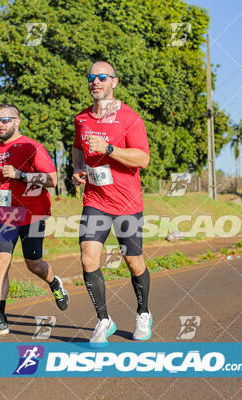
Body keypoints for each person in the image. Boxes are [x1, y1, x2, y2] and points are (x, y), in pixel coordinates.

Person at [0, 103, 69, 337]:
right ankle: (0, 320)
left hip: (32, 214)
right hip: (3, 215)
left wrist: (20, 175)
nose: (0, 125)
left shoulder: (32, 147)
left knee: (34, 264)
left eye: (5, 120)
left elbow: (52, 179)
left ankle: (54, 283)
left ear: (17, 121)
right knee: (0, 263)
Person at [72, 61, 151, 347]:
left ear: (114, 82)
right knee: (88, 257)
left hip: (127, 202)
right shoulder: (81, 119)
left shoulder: (130, 118)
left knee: (134, 261)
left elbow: (142, 159)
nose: (96, 81)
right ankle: (104, 320)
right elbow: (77, 148)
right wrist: (77, 169)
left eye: (102, 77)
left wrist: (109, 149)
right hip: (95, 200)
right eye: (91, 77)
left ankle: (143, 312)